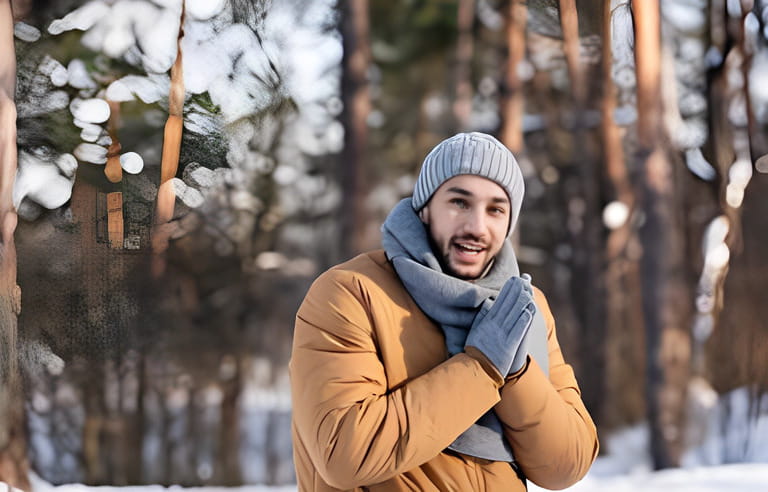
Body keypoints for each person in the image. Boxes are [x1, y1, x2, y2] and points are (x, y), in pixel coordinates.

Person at [290, 132, 599, 491]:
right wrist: (481, 367)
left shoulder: (524, 307)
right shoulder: (352, 293)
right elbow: (343, 453)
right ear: (425, 207)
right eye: (459, 202)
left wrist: (517, 375)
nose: (477, 227)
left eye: (496, 209)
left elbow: (567, 465)